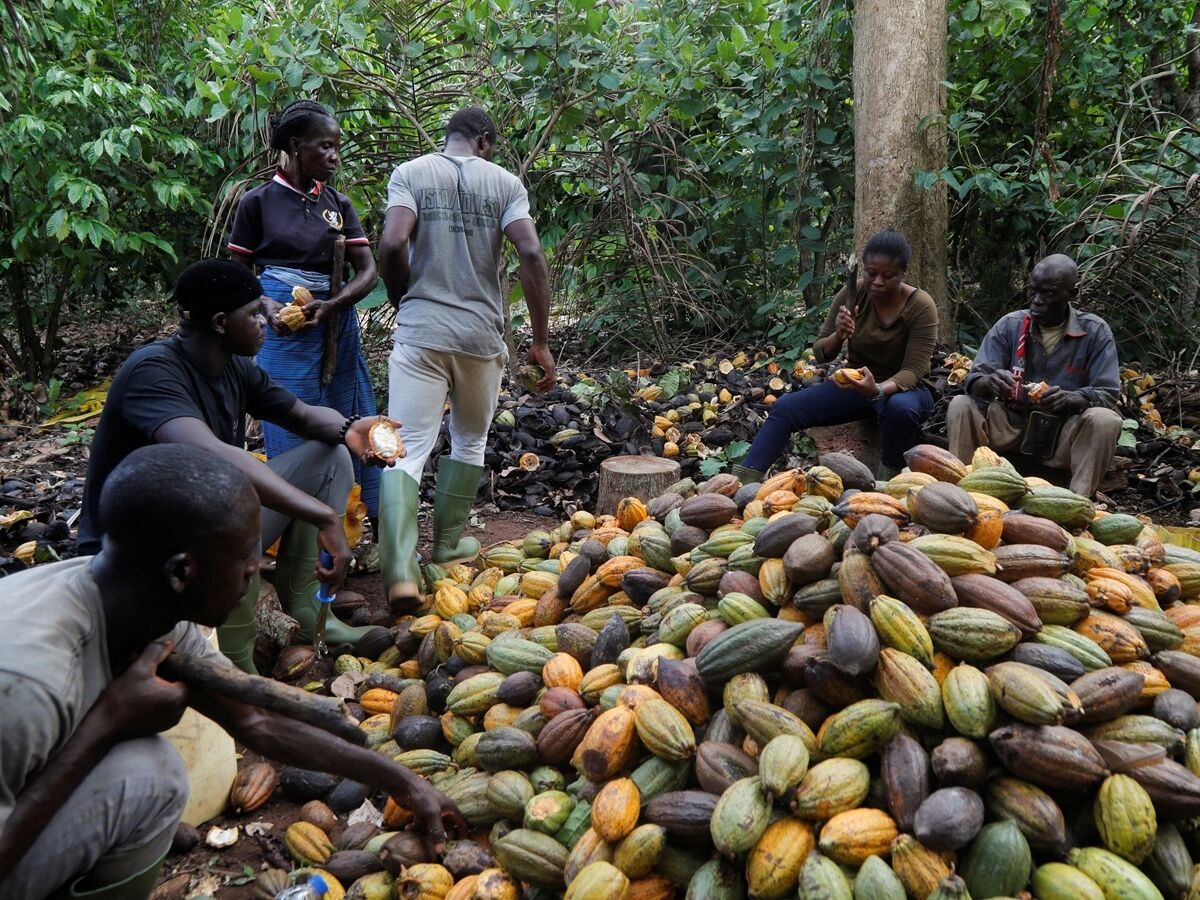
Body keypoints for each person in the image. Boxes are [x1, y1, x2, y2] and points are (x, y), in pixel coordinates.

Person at [0, 445, 467, 900]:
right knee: (151, 777)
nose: (253, 567)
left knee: (143, 766)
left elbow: (253, 721)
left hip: (26, 795)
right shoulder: (27, 684)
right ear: (183, 571)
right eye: (246, 554)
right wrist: (104, 728)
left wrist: (405, 783)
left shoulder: (141, 600)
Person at [76, 259, 398, 673]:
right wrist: (322, 517)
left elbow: (301, 415)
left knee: (331, 455)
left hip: (199, 523)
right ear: (221, 322)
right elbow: (214, 456)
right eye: (254, 313)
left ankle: (307, 616)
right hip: (136, 552)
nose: (267, 321)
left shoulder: (233, 366)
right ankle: (235, 660)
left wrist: (352, 428)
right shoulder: (153, 372)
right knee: (230, 501)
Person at [376, 107, 556, 606]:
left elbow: (392, 242)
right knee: (470, 439)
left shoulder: (410, 173)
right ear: (484, 140)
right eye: (492, 145)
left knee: (406, 448)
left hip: (422, 333)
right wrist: (540, 342)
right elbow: (532, 255)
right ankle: (448, 546)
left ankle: (399, 573)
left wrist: (403, 299)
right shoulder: (504, 184)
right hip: (479, 335)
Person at [227, 100, 382, 534]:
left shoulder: (338, 204)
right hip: (282, 335)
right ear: (296, 146)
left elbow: (367, 272)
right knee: (291, 417)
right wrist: (266, 304)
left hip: (336, 326)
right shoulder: (257, 203)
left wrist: (332, 305)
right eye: (324, 147)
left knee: (348, 417)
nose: (334, 157)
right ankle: (296, 534)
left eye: (337, 148)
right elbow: (237, 273)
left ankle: (356, 525)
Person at [733, 229, 938, 483]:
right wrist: (839, 335)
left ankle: (888, 485)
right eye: (871, 273)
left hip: (906, 390)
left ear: (903, 273)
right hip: (856, 383)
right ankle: (742, 482)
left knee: (899, 410)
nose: (877, 282)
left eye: (888, 276)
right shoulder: (853, 293)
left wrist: (878, 390)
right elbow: (821, 353)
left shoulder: (920, 306)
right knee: (786, 407)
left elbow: (914, 370)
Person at [947, 253, 1122, 496]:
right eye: (1033, 291)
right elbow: (974, 380)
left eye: (1049, 293)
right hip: (1011, 426)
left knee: (1105, 419)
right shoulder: (1010, 325)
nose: (1037, 301)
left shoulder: (1095, 332)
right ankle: (960, 494)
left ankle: (1077, 503)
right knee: (961, 405)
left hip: (1063, 435)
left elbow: (1108, 393)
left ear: (1072, 294)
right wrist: (991, 381)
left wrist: (1071, 398)